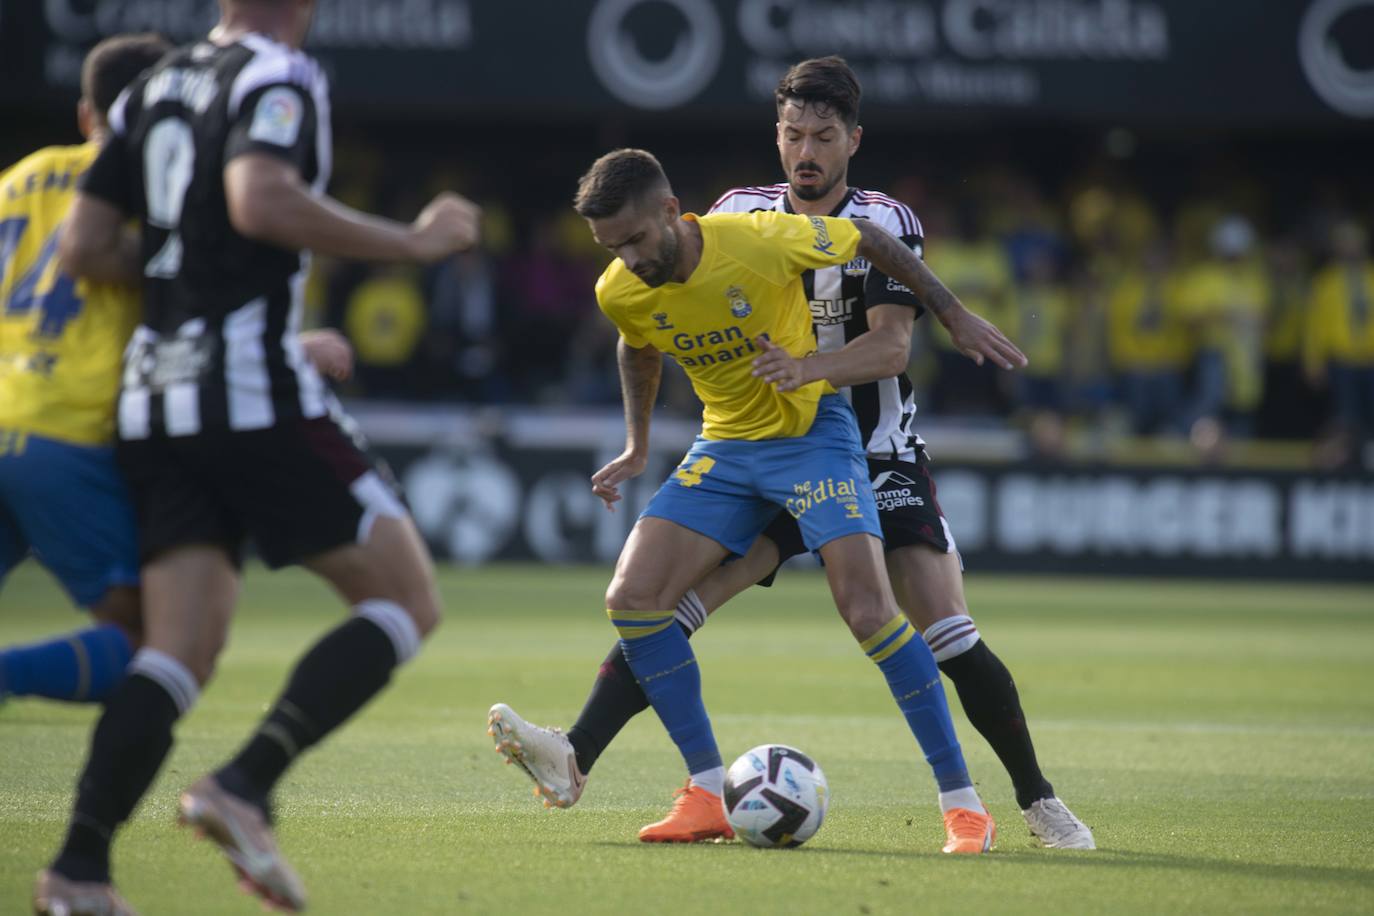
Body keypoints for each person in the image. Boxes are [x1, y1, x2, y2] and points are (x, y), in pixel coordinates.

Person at [488, 57, 1094, 851]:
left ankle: (1032, 800)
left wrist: (845, 354)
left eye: (823, 136)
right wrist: (645, 438)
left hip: (869, 446)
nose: (805, 150)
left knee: (940, 626)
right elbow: (663, 303)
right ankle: (606, 762)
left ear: (852, 141)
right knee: (667, 603)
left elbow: (886, 351)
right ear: (777, 135)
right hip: (756, 440)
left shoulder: (886, 220)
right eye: (792, 133)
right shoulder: (735, 213)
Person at [34, 1, 480, 912]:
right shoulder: (278, 76)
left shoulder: (153, 84)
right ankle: (244, 783)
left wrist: (179, 265)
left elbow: (81, 246)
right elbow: (258, 199)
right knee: (406, 598)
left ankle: (79, 870)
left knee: (177, 653)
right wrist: (414, 243)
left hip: (152, 399)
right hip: (247, 389)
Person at [0, 33, 354, 707]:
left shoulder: (18, 178)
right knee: (157, 642)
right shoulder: (149, 184)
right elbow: (176, 292)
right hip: (62, 430)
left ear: (85, 115)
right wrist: (295, 346)